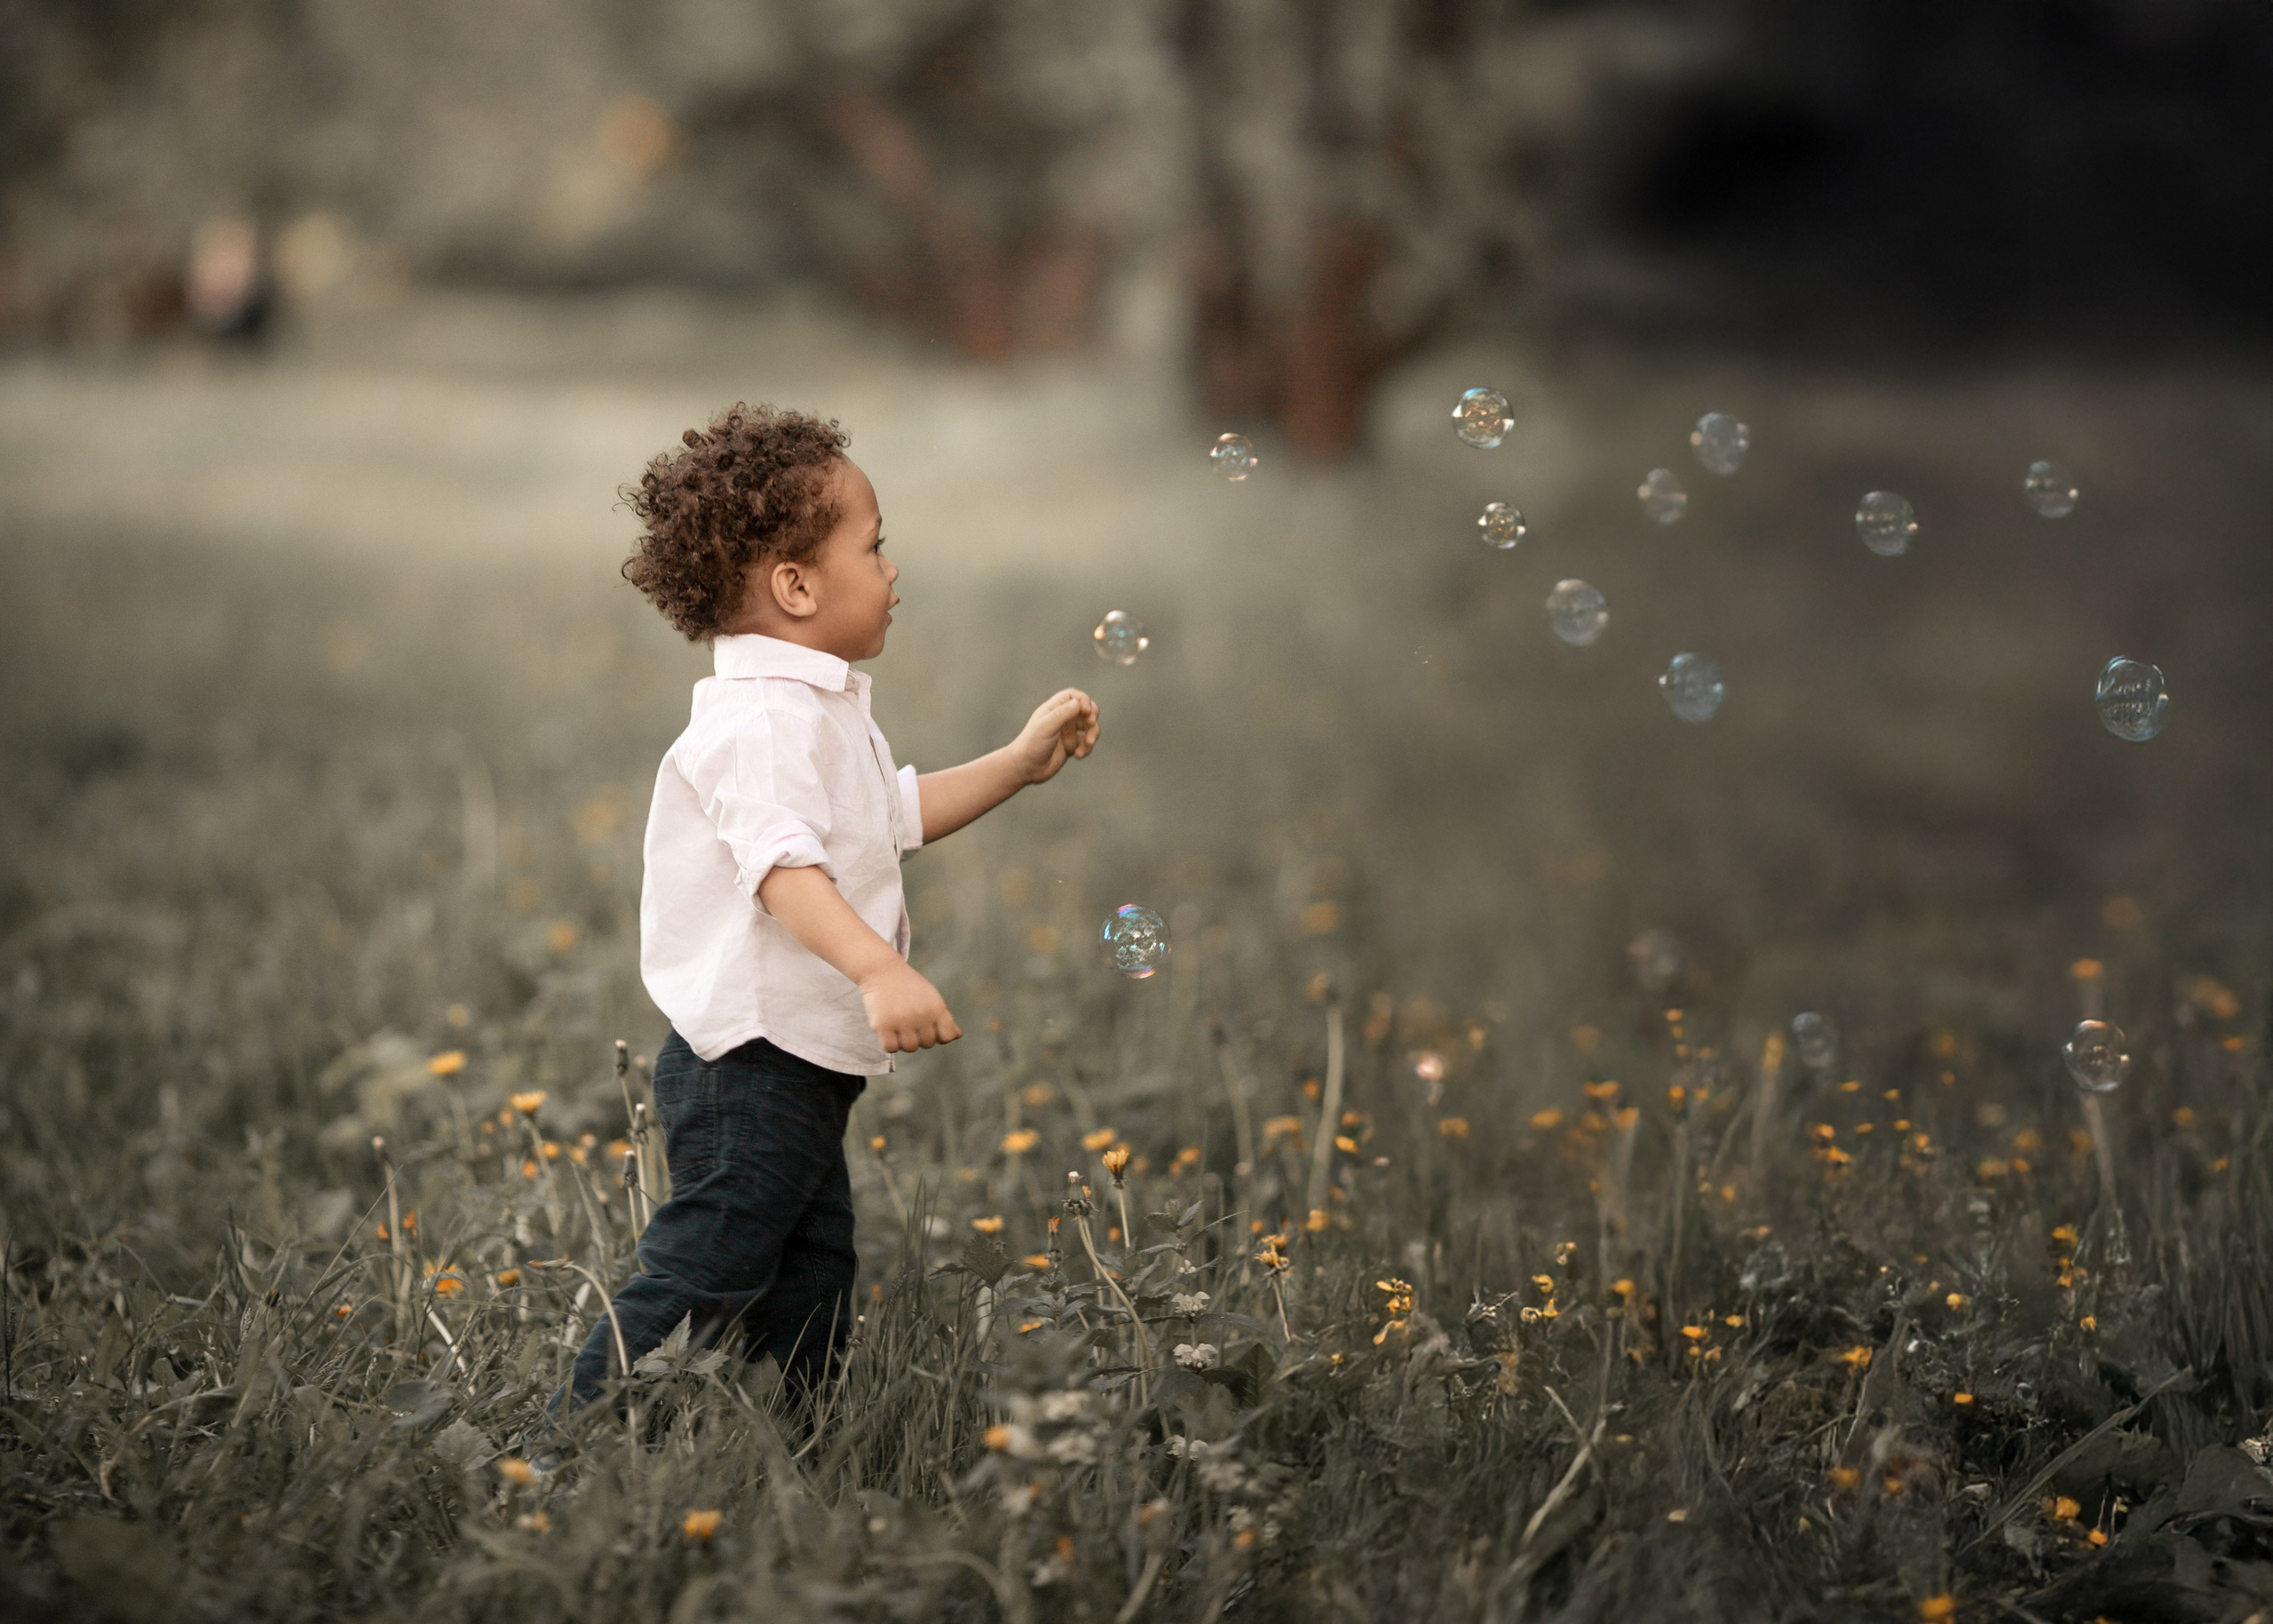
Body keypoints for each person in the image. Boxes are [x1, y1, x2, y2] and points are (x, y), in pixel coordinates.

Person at [565, 403, 1099, 1411]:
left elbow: (884, 817)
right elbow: (783, 870)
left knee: (812, 1278)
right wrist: (877, 966)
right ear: (796, 585)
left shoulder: (811, 707)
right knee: (706, 1265)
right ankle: (571, 1437)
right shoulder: (763, 721)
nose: (894, 568)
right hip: (750, 1066)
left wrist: (1016, 765)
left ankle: (798, 1440)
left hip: (799, 1065)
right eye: (876, 544)